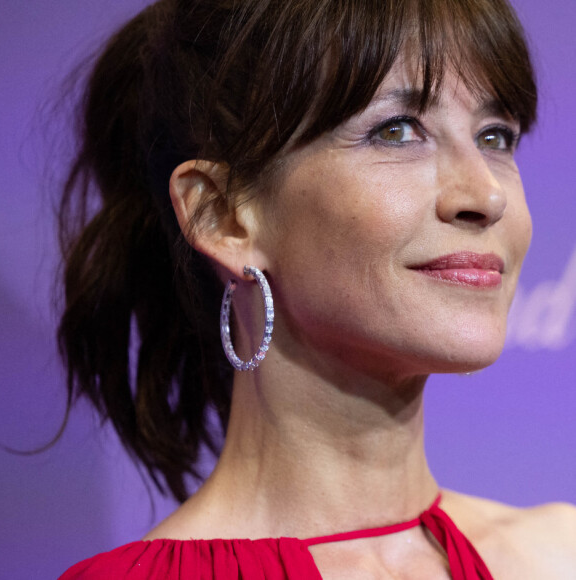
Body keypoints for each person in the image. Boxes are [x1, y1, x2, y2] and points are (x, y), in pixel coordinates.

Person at [57, 0, 576, 578]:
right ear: (222, 215)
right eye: (397, 130)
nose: (486, 195)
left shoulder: (559, 555)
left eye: (496, 136)